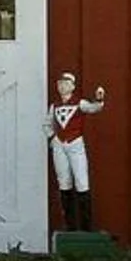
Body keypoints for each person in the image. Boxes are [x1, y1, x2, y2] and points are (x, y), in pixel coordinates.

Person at [46, 72, 107, 232]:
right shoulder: (54, 106)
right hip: (60, 144)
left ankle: (86, 227)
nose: (62, 86)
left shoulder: (79, 103)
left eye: (65, 83)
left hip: (75, 143)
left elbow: (94, 108)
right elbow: (47, 123)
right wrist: (52, 138)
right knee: (64, 182)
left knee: (81, 181)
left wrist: (99, 99)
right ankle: (70, 226)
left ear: (72, 86)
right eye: (59, 83)